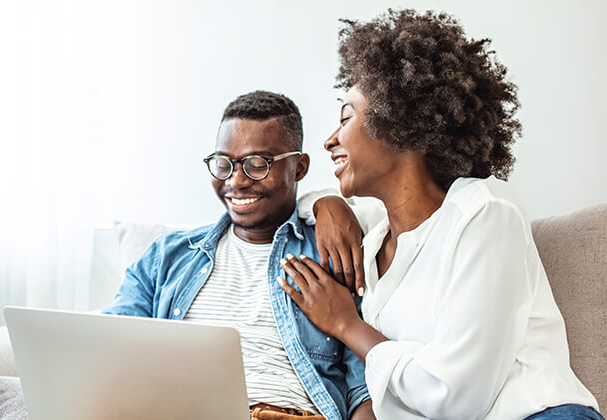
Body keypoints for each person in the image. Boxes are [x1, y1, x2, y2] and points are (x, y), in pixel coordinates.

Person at [278, 9, 603, 420]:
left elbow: (458, 399)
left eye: (346, 117)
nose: (329, 140)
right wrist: (328, 202)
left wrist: (347, 325)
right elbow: (299, 202)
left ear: (397, 122)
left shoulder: (484, 210)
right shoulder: (373, 241)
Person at [102, 90, 375, 420]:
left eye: (257, 164)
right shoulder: (166, 257)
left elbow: (365, 388)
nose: (237, 180)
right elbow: (107, 349)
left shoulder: (333, 252)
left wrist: (330, 201)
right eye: (224, 164)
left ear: (299, 167)